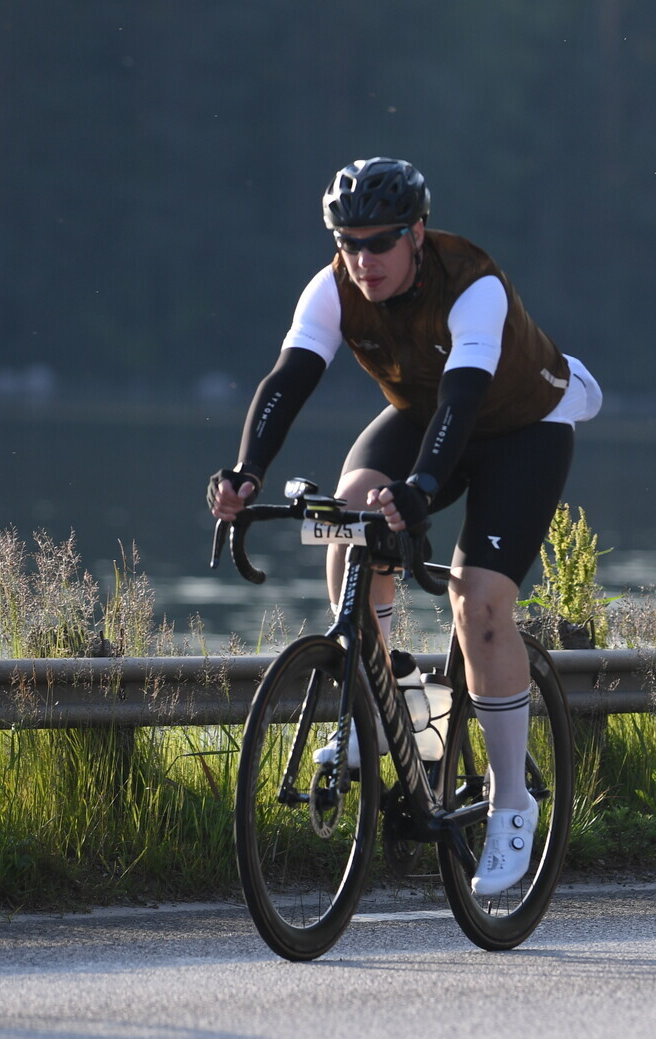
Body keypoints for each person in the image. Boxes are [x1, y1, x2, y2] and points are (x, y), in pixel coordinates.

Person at [206, 157, 602, 895]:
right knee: (352, 510)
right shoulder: (332, 288)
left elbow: (464, 398)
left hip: (520, 428)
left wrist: (421, 486)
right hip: (426, 417)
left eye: (380, 243)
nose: (363, 261)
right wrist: (247, 471)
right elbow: (288, 379)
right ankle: (377, 698)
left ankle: (511, 803)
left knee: (478, 600)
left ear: (416, 234)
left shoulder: (472, 283)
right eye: (348, 244)